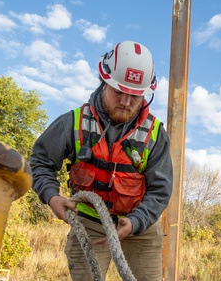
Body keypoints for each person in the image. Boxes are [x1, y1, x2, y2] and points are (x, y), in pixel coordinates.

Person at [30, 40, 173, 281]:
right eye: (119, 91)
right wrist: (51, 196)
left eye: (135, 95)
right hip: (89, 223)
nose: (126, 102)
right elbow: (40, 161)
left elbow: (160, 190)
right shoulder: (73, 123)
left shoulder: (155, 134)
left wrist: (136, 222)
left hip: (140, 226)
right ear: (103, 81)